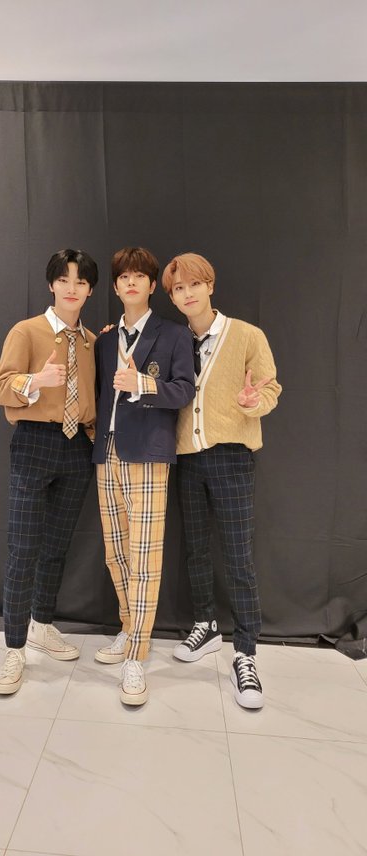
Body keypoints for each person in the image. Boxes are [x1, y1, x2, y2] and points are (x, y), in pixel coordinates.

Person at [162, 252, 281, 709]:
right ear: (172, 298)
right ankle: (206, 625)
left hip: (232, 455)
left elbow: (270, 388)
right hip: (187, 457)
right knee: (195, 548)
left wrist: (253, 401)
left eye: (194, 284)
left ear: (210, 285)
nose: (187, 293)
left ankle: (246, 653)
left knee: (237, 555)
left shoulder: (247, 335)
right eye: (178, 288)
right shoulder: (173, 339)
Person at [0, 248, 98, 695]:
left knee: (56, 547)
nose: (72, 288)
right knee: (23, 549)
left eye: (80, 282)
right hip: (34, 441)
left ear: (90, 290)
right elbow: (0, 387)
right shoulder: (27, 330)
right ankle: (14, 648)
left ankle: (42, 624)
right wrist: (36, 381)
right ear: (52, 284)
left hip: (77, 449)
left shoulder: (91, 340)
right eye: (64, 280)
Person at [93, 246, 195, 706]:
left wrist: (143, 385)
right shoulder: (104, 341)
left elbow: (184, 390)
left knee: (146, 556)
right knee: (116, 551)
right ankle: (129, 627)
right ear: (116, 287)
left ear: (153, 285)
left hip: (150, 454)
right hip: (107, 452)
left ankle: (136, 653)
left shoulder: (173, 334)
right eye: (123, 277)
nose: (131, 282)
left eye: (139, 276)